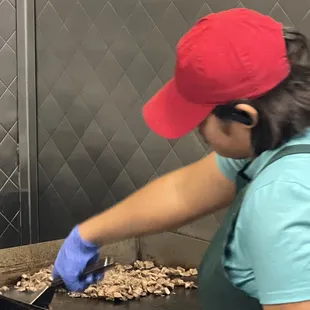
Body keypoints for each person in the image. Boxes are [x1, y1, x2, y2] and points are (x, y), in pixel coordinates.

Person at [52, 8, 310, 310]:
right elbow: (184, 191)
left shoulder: (281, 197)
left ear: (245, 116)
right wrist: (88, 235)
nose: (196, 129)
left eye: (200, 119)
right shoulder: (277, 136)